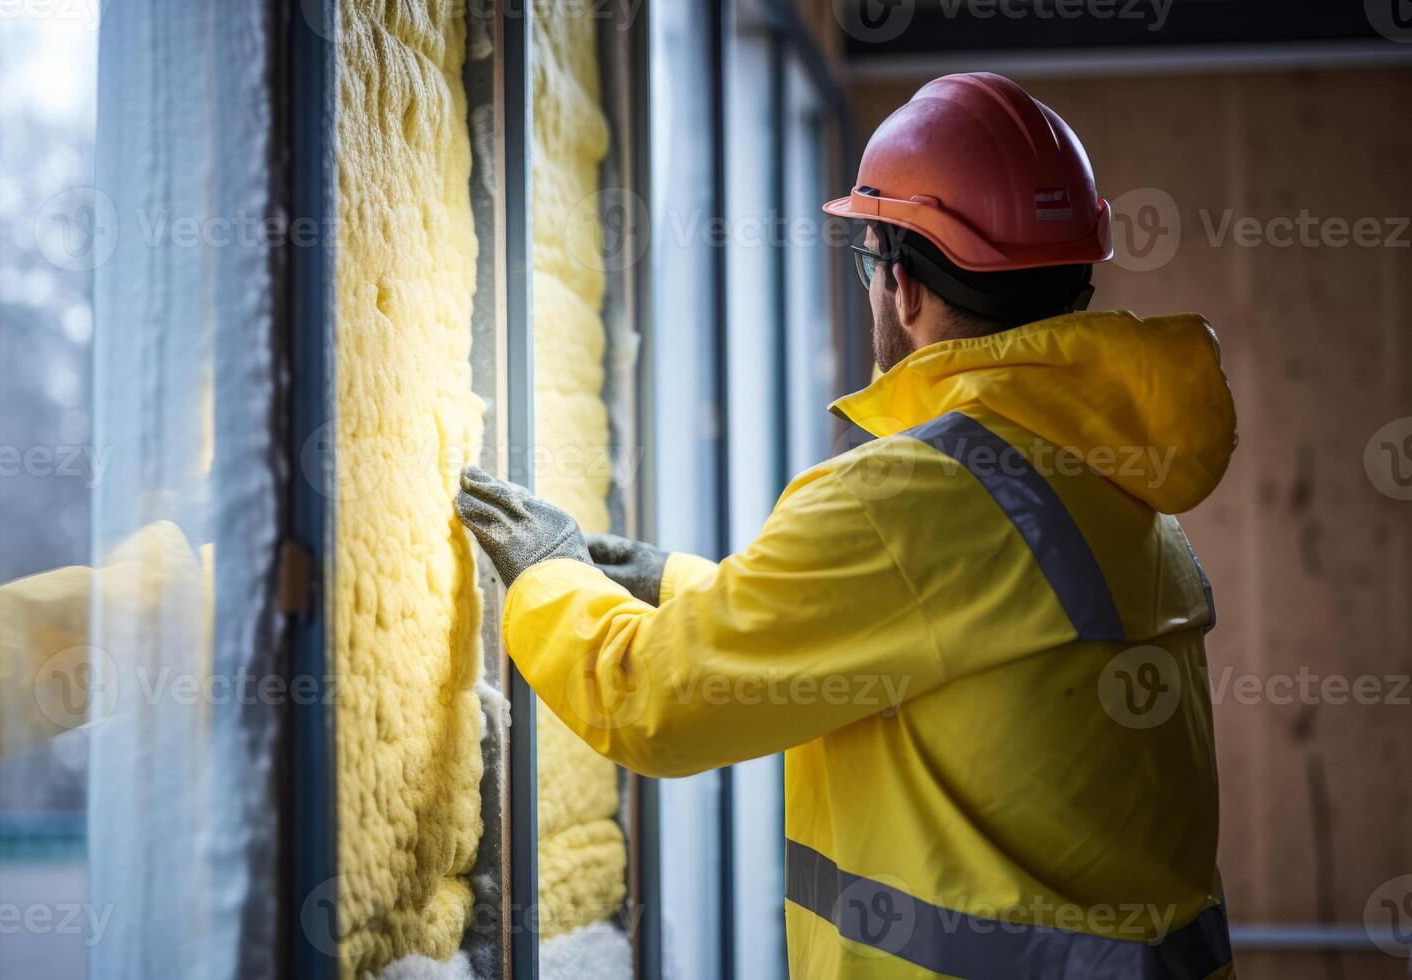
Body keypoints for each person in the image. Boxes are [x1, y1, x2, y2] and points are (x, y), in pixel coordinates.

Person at [457, 72, 1236, 978]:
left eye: (867, 258)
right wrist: (675, 583)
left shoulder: (913, 496)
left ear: (902, 283)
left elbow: (650, 703)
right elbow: (934, 637)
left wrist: (548, 574)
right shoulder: (1109, 478)